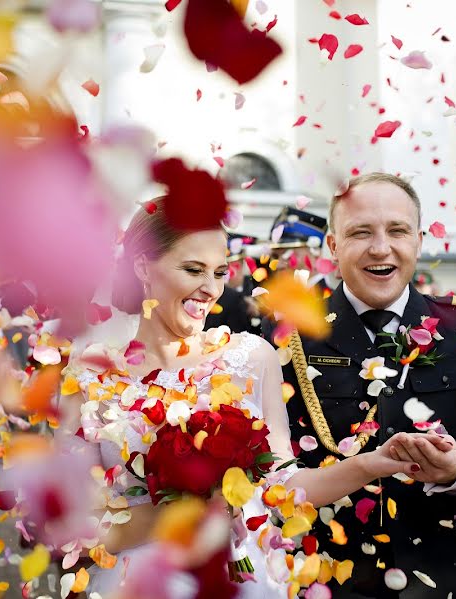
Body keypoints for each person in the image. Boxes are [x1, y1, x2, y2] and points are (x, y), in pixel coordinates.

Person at [60, 197, 423, 597]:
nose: (211, 288)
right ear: (143, 266)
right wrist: (180, 514)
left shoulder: (251, 357)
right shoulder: (90, 377)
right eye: (193, 269)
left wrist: (371, 464)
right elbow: (75, 532)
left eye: (219, 272)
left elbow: (284, 486)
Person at [275, 172, 456, 597]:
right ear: (333, 246)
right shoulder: (289, 336)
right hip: (329, 575)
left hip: (453, 571)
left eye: (397, 230)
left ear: (418, 240)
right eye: (361, 232)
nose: (381, 248)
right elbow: (272, 468)